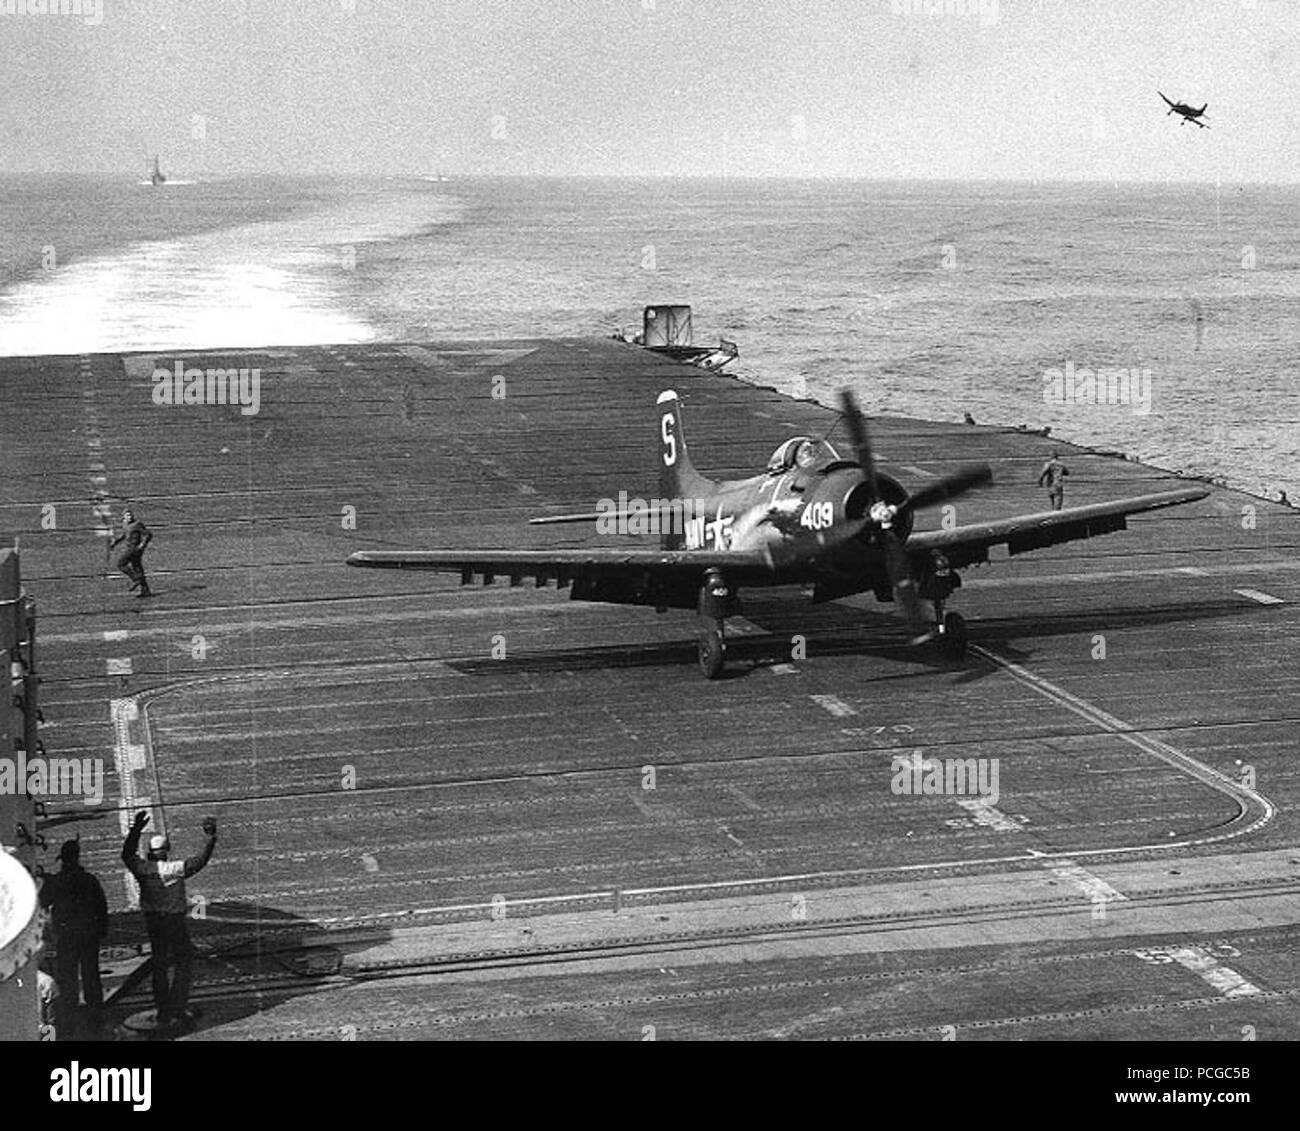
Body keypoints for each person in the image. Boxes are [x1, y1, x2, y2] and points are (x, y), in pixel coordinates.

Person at [121, 811, 217, 1028]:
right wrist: (210, 838)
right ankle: (178, 1005)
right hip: (175, 921)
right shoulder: (174, 869)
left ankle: (164, 1008)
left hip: (154, 921)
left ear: (150, 853)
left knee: (159, 964)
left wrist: (136, 830)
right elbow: (200, 861)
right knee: (184, 962)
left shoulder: (144, 869)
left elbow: (126, 854)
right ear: (167, 851)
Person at [39, 839, 108, 1036]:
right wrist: (101, 930)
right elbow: (101, 907)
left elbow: (43, 900)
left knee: (67, 979)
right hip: (88, 935)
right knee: (91, 975)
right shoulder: (89, 879)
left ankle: (68, 1019)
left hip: (67, 936)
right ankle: (95, 1015)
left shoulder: (56, 881)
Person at [108, 507, 153, 597]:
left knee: (121, 564)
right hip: (131, 548)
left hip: (134, 549)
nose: (129, 517)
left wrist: (142, 545)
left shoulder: (137, 524)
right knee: (137, 568)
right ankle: (145, 590)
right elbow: (124, 535)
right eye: (127, 515)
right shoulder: (125, 524)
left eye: (130, 515)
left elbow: (148, 534)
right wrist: (115, 543)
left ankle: (136, 579)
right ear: (124, 517)